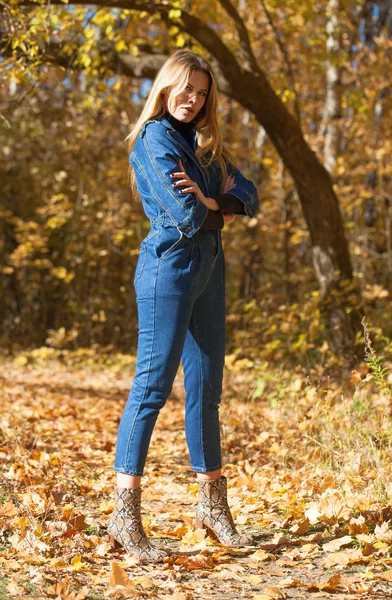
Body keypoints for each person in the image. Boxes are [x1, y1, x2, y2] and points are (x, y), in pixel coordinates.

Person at [108, 49, 259, 563]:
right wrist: (214, 206)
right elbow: (186, 215)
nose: (192, 99)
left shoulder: (205, 148)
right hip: (167, 273)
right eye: (185, 88)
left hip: (209, 274)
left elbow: (251, 196)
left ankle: (212, 508)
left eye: (201, 92)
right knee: (152, 387)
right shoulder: (154, 140)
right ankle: (123, 515)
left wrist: (216, 200)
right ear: (167, 86)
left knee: (206, 388)